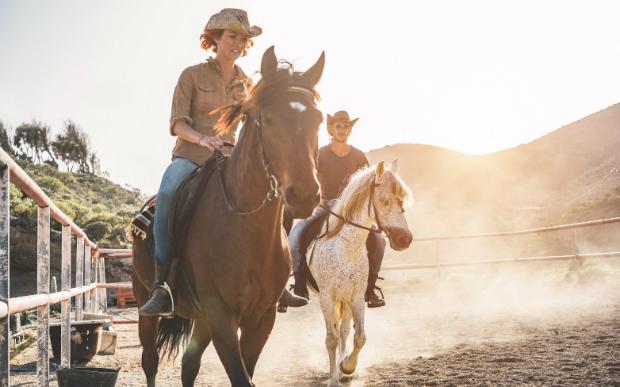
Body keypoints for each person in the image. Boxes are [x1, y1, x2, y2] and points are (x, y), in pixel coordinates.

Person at [138, 9, 306, 317]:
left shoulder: (247, 85)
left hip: (231, 162)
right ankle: (164, 283)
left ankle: (278, 283)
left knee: (278, 197)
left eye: (243, 39)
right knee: (167, 193)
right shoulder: (191, 75)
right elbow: (177, 124)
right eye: (233, 37)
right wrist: (202, 139)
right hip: (190, 158)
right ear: (215, 39)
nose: (239, 44)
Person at [286, 110, 387, 308]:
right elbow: (308, 177)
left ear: (350, 130)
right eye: (338, 126)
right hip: (323, 205)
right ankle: (299, 284)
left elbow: (368, 184)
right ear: (331, 129)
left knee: (379, 241)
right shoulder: (320, 153)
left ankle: (370, 288)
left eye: (346, 126)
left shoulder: (359, 156)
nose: (342, 130)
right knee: (294, 236)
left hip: (351, 211)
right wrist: (316, 199)